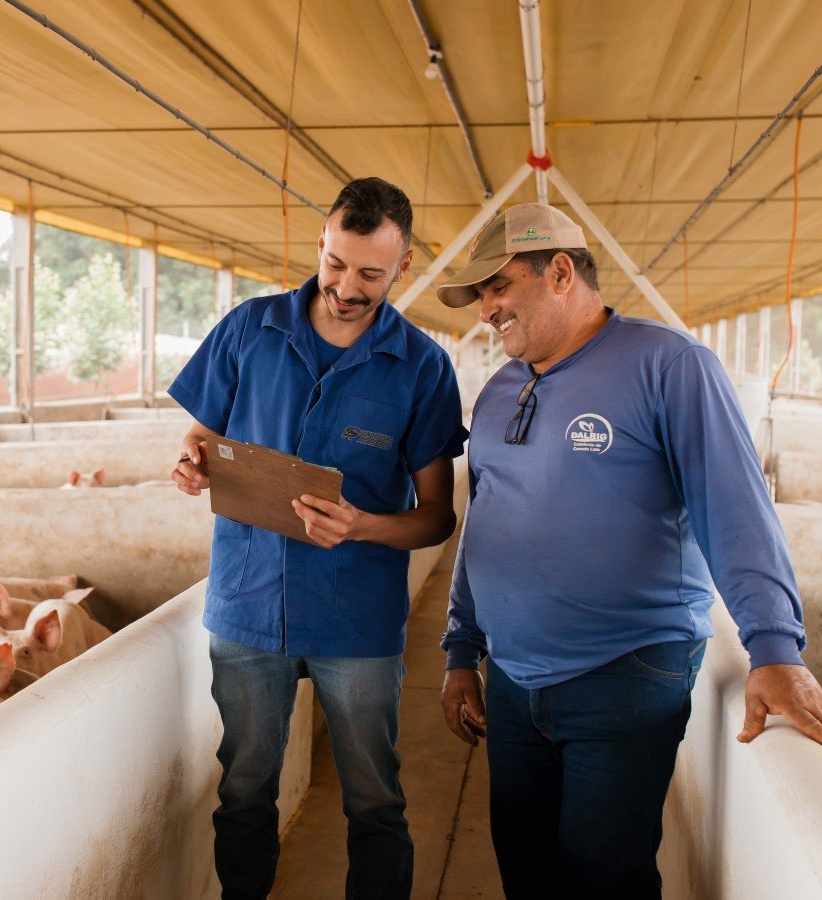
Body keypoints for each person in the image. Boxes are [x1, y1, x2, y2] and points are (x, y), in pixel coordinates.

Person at [435, 203, 822, 898]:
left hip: (624, 672)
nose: (486, 311)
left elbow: (736, 509)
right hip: (511, 678)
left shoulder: (671, 366)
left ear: (561, 271)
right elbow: (487, 521)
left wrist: (775, 648)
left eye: (498, 287)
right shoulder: (501, 390)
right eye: (481, 296)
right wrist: (459, 650)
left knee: (605, 874)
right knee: (524, 865)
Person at [168, 177, 468, 900]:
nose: (346, 285)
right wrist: (190, 462)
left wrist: (364, 524)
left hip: (355, 617)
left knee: (374, 801)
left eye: (371, 273)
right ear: (320, 244)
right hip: (247, 606)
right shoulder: (250, 329)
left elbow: (438, 515)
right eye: (336, 263)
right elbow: (200, 436)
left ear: (402, 268)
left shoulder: (423, 366)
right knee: (242, 791)